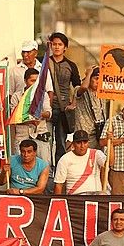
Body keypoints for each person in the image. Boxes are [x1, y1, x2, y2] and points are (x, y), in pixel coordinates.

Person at [44, 32, 81, 162]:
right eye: (54, 44)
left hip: (63, 109)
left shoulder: (71, 65)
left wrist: (73, 104)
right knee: (45, 141)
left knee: (61, 142)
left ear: (65, 47)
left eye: (60, 44)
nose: (57, 47)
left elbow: (77, 86)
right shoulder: (43, 64)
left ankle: (59, 174)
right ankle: (47, 171)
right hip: (46, 107)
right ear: (50, 46)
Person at [8, 68, 52, 163]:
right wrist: (31, 119)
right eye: (32, 81)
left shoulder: (43, 95)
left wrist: (38, 114)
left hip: (40, 134)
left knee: (44, 164)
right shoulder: (17, 96)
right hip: (22, 136)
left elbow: (48, 113)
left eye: (37, 81)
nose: (35, 84)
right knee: (20, 165)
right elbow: (14, 118)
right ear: (25, 81)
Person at [53, 130, 107, 195]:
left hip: (96, 196)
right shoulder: (65, 159)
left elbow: (109, 163)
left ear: (88, 143)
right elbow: (58, 184)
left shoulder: (96, 154)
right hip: (76, 198)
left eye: (85, 142)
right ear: (73, 144)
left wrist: (111, 143)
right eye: (79, 143)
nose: (82, 146)